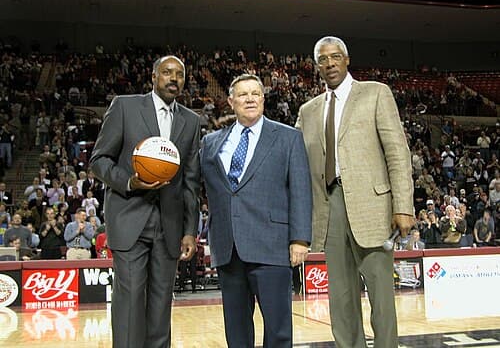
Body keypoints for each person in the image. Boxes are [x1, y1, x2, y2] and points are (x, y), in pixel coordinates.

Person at [296, 36, 414, 348]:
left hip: (373, 207)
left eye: (336, 57)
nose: (330, 63)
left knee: (381, 297)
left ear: (347, 60)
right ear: (317, 66)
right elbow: (295, 163)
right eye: (323, 59)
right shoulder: (308, 111)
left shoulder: (375, 93)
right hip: (329, 206)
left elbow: (397, 153)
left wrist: (403, 206)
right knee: (341, 297)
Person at [90, 55, 201, 348]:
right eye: (166, 72)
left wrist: (190, 230)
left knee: (161, 302)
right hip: (129, 216)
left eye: (179, 74)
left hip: (169, 224)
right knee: (129, 299)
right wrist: (129, 181)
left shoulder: (191, 121)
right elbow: (98, 160)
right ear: (153, 77)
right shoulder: (125, 107)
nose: (173, 79)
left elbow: (191, 181)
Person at [200, 74, 312, 348]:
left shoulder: (288, 137)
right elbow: (198, 189)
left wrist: (300, 238)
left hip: (272, 245)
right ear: (230, 101)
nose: (249, 99)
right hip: (229, 247)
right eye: (242, 94)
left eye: (255, 94)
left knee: (278, 328)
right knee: (236, 330)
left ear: (263, 99)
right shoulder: (212, 142)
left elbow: (300, 189)